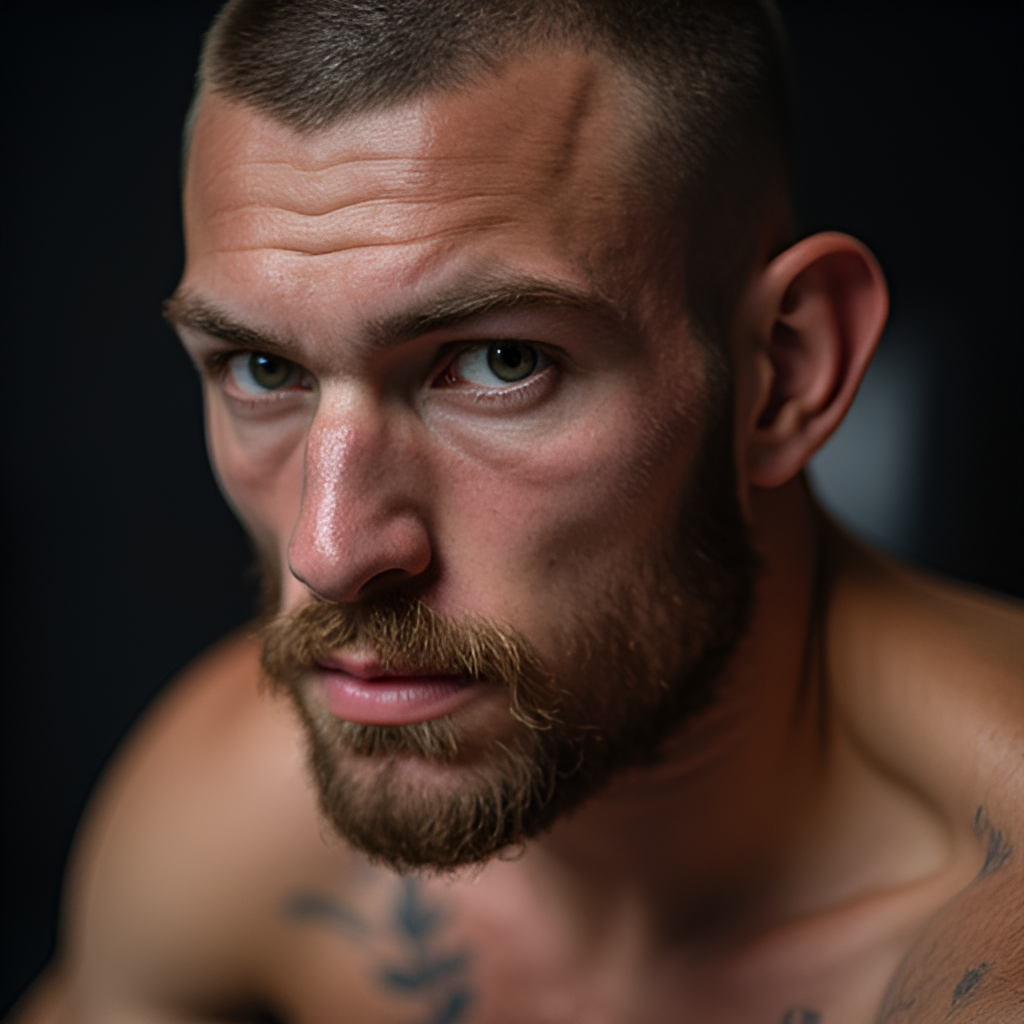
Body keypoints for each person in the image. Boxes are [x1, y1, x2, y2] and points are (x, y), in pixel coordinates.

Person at [14, 1, 1022, 1021]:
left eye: (501, 363)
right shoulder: (225, 823)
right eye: (263, 368)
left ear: (785, 370)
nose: (330, 552)